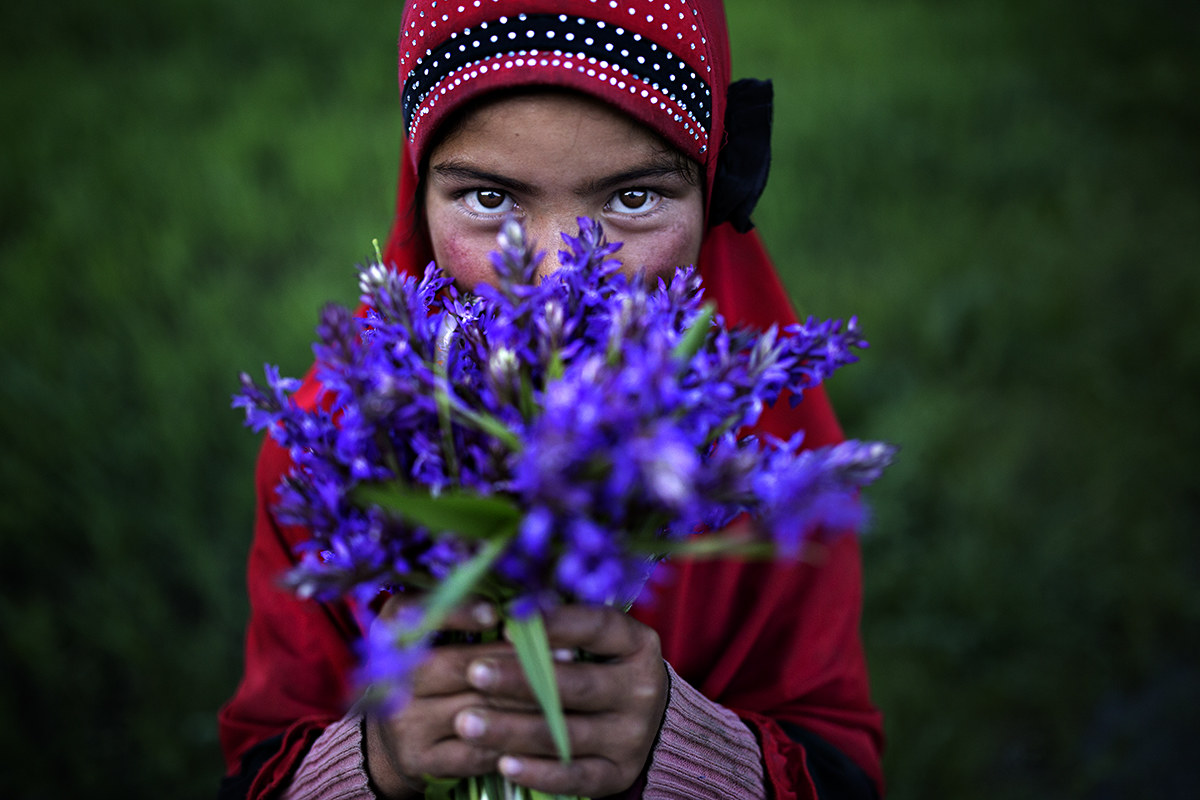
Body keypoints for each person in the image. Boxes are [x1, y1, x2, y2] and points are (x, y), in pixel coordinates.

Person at [219, 1, 884, 798]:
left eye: (633, 198)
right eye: (491, 200)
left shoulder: (768, 458)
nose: (554, 282)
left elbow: (839, 754)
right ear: (420, 190)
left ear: (712, 192)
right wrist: (380, 753)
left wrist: (683, 746)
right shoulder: (339, 448)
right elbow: (261, 753)